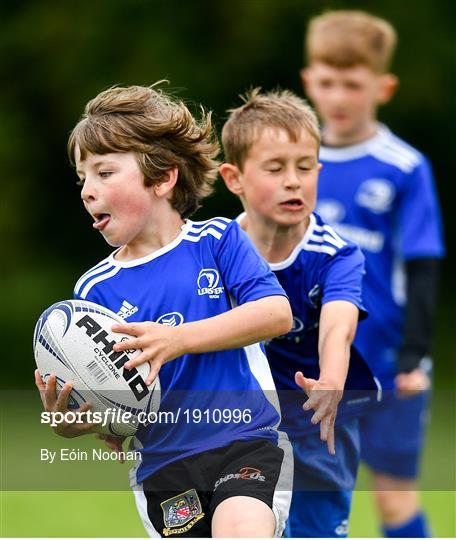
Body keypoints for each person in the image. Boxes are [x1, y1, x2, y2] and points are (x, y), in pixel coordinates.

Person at [34, 83, 295, 538]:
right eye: (82, 179)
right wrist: (76, 421)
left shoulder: (216, 242)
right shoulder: (93, 290)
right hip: (163, 471)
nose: (87, 191)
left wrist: (177, 339)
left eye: (104, 172)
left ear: (162, 178)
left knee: (241, 528)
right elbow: (117, 416)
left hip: (247, 442)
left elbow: (275, 313)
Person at [301, 10, 445, 537]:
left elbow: (423, 266)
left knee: (392, 498)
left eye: (352, 85)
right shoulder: (294, 159)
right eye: (328, 82)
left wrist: (413, 355)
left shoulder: (404, 166)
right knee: (303, 495)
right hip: (305, 360)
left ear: (382, 87)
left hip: (385, 360)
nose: (338, 97)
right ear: (308, 81)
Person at [220, 88, 379, 538]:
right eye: (276, 168)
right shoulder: (213, 251)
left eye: (305, 167)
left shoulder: (336, 254)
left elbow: (338, 327)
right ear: (235, 178)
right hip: (240, 421)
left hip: (321, 417)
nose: (294, 180)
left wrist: (331, 380)